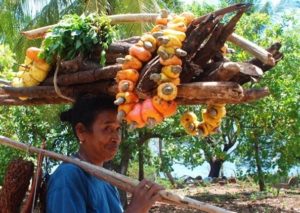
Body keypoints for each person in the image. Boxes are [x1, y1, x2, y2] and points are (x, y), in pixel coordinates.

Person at [46, 94, 164, 213]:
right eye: (107, 129)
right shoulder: (68, 176)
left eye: (118, 129)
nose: (116, 138)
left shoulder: (107, 181)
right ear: (81, 131)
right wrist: (135, 210)